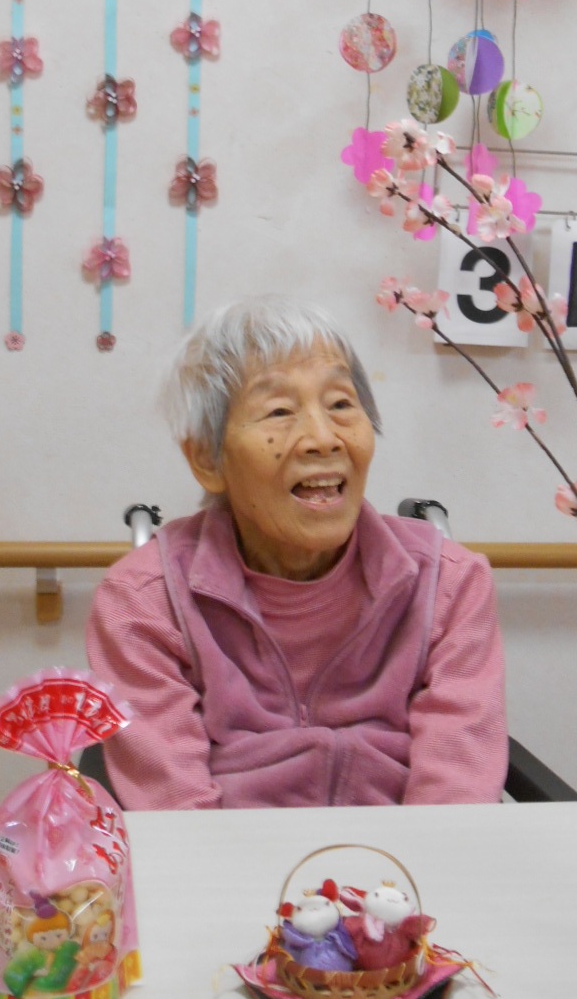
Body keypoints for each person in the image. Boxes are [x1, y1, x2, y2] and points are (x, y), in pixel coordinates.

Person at [85, 296, 507, 808]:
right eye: (280, 411)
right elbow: (177, 810)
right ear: (206, 458)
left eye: (341, 405)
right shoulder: (143, 603)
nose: (322, 438)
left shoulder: (450, 586)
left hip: (403, 869)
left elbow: (455, 797)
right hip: (230, 867)